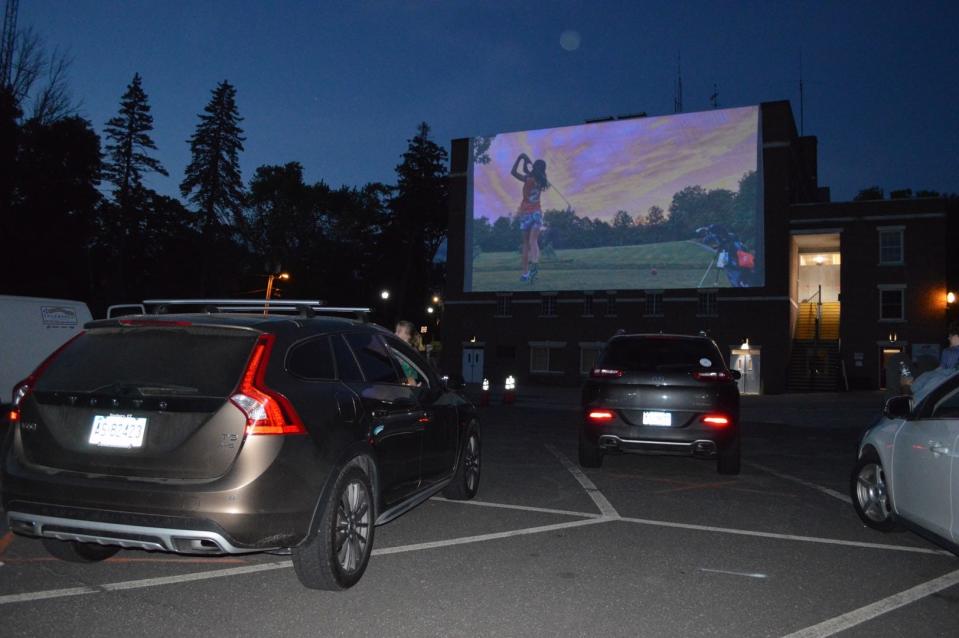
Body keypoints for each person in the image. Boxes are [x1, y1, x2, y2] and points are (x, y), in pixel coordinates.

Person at [510, 152, 549, 283]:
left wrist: (521, 158)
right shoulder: (542, 180)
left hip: (526, 213)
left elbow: (513, 172)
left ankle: (525, 274)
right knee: (534, 241)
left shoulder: (528, 179)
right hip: (537, 213)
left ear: (535, 167)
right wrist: (528, 163)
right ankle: (535, 263)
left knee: (526, 244)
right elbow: (529, 171)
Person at [394, 320, 421, 386]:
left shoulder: (407, 351)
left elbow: (410, 375)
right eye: (396, 331)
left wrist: (413, 386)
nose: (395, 333)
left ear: (408, 336)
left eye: (399, 331)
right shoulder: (399, 348)